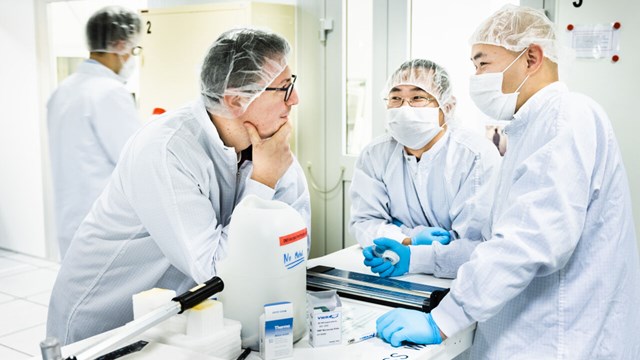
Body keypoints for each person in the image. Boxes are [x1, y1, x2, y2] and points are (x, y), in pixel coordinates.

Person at [371, 5, 640, 359]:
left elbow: (528, 242)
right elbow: (492, 241)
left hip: (558, 337)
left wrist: (445, 319)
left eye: (482, 63)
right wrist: (419, 257)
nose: (476, 77)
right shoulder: (530, 128)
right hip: (528, 330)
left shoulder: (565, 118)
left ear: (531, 58)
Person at [47, 28, 311, 345]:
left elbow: (293, 246)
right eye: (284, 88)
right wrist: (263, 181)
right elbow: (217, 271)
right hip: (106, 323)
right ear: (237, 99)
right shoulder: (167, 149)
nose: (294, 99)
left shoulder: (271, 148)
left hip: (183, 322)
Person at [352, 59, 501, 279]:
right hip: (394, 270)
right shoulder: (375, 154)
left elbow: (473, 243)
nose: (404, 108)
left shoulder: (475, 155)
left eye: (417, 97)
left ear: (446, 106)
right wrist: (410, 239)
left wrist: (409, 251)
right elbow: (365, 222)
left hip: (458, 279)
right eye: (395, 98)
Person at [47, 6, 142, 258]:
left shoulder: (64, 90)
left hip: (71, 218)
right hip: (105, 223)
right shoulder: (109, 92)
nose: (133, 57)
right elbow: (133, 160)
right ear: (121, 44)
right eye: (134, 50)